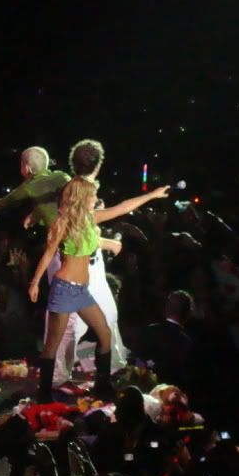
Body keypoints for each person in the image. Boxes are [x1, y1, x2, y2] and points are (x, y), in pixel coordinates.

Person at [29, 177, 170, 403]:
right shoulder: (62, 223)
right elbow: (48, 254)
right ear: (82, 197)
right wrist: (35, 282)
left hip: (82, 291)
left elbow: (123, 207)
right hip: (64, 290)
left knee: (104, 333)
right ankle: (44, 394)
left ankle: (102, 386)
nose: (96, 198)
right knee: (52, 346)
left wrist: (152, 195)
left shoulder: (91, 218)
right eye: (93, 195)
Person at [48, 139, 130, 386]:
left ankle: (106, 369)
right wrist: (108, 243)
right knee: (72, 326)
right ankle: (60, 376)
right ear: (99, 164)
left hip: (81, 262)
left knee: (101, 317)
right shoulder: (78, 189)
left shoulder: (77, 187)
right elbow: (78, 231)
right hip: (78, 264)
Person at [0, 147, 70, 233]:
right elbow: (52, 198)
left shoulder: (30, 186)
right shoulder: (62, 175)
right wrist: (35, 214)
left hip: (62, 238)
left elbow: (2, 203)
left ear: (26, 168)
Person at [139, 290, 194, 389]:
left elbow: (136, 361)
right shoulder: (188, 343)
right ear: (188, 314)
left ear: (166, 309)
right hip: (173, 395)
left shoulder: (149, 331)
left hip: (146, 390)